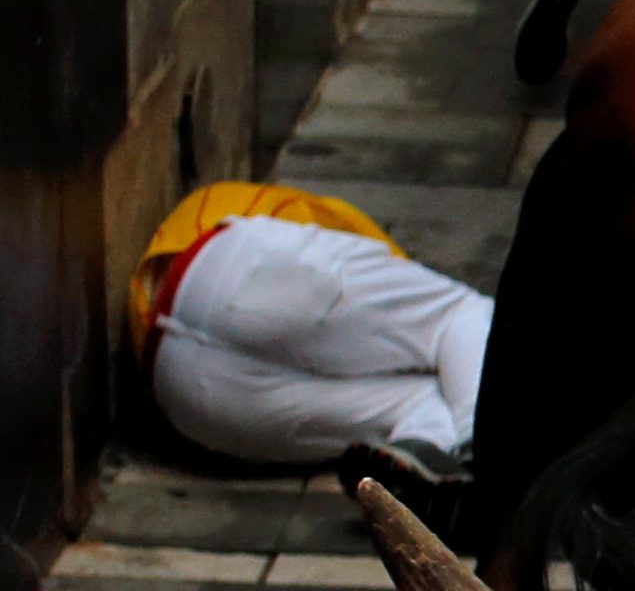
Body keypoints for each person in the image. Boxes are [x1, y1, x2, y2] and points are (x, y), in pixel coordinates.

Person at [131, 186, 491, 482]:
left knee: (436, 376)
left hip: (174, 385)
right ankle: (486, 445)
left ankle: (437, 454)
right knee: (459, 317)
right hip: (203, 382)